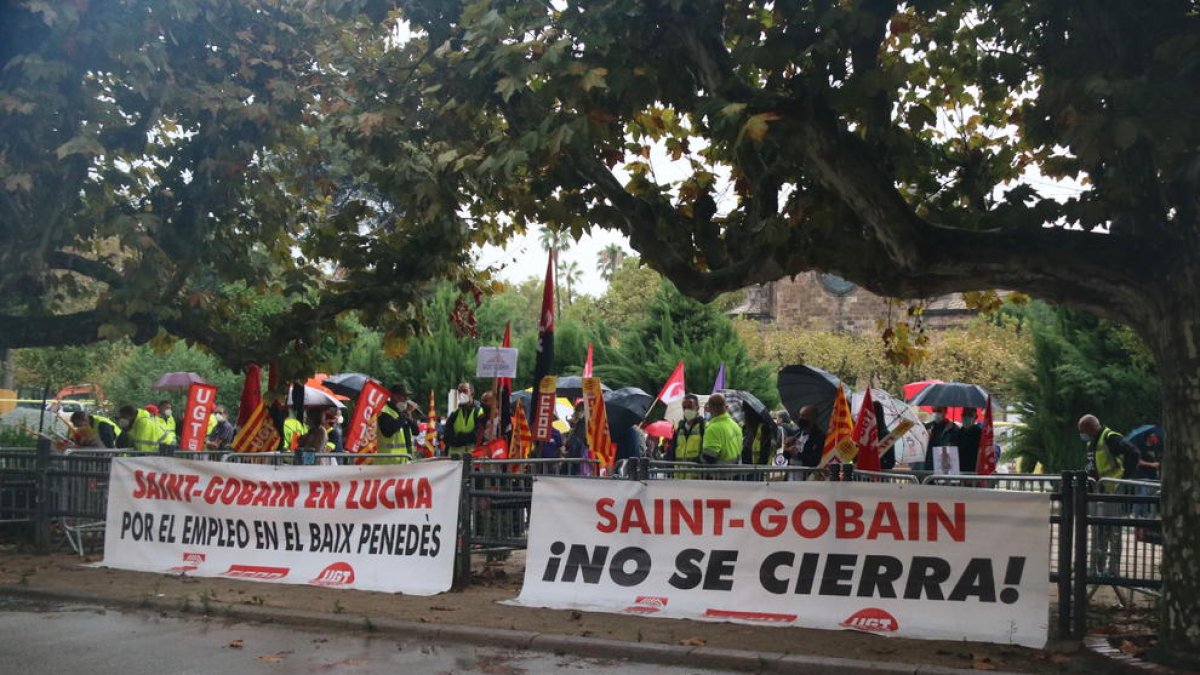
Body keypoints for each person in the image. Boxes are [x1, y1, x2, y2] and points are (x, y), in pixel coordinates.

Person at [1078, 414, 1141, 578]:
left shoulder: (1110, 437)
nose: (1082, 434)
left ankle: (1112, 570)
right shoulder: (1092, 442)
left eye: (1083, 430)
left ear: (1091, 427)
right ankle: (1097, 568)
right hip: (1098, 491)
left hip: (1112, 490)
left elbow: (1133, 453)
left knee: (1113, 530)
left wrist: (1125, 480)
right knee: (1098, 530)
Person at [378, 383, 421, 458]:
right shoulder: (384, 411)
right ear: (394, 396)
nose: (406, 399)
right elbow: (388, 432)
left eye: (407, 397)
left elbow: (416, 432)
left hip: (405, 460)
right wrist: (405, 414)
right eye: (404, 396)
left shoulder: (403, 412)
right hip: (389, 462)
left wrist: (409, 415)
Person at [444, 382, 484, 458]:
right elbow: (447, 438)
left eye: (465, 391)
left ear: (472, 392)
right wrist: (467, 438)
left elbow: (477, 436)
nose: (462, 394)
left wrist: (458, 437)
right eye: (459, 391)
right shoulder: (454, 414)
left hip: (473, 458)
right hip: (455, 460)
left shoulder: (479, 412)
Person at [701, 394, 742, 465]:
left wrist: (696, 460)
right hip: (736, 472)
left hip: (719, 474)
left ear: (709, 408)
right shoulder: (735, 425)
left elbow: (709, 457)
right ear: (726, 407)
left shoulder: (713, 429)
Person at [783, 405, 825, 469]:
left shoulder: (820, 437)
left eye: (805, 416)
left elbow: (816, 460)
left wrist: (798, 454)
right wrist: (787, 448)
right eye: (800, 415)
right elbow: (786, 456)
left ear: (814, 418)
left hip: (806, 476)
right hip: (791, 475)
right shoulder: (796, 433)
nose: (801, 418)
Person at [668, 394, 705, 463]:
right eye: (684, 407)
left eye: (690, 407)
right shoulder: (679, 429)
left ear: (697, 408)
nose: (687, 410)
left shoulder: (703, 427)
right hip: (678, 472)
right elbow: (672, 452)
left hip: (696, 472)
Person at [922, 406, 960, 472]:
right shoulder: (927, 427)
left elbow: (955, 446)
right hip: (928, 466)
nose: (936, 413)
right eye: (934, 411)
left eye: (939, 411)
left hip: (944, 465)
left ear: (945, 411)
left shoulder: (953, 428)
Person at [957, 407, 982, 473]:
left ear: (975, 417)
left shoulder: (980, 433)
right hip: (959, 472)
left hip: (973, 472)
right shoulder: (958, 432)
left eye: (970, 415)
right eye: (964, 415)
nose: (966, 417)